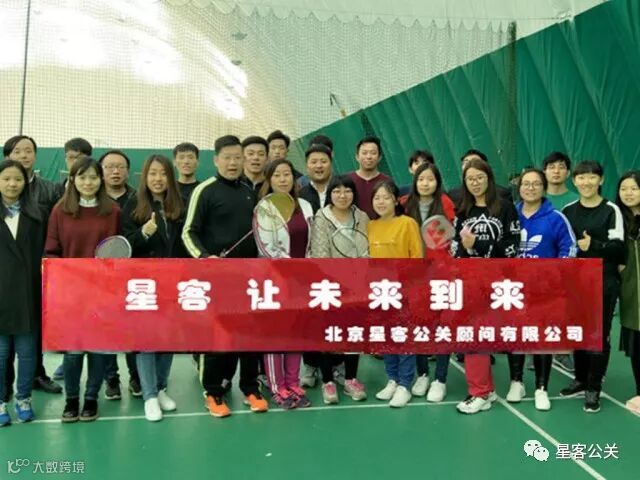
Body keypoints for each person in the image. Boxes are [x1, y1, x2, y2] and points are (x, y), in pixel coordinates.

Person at [182, 135, 268, 418]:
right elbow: (189, 232)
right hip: (216, 280)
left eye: (237, 158)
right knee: (217, 339)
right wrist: (205, 258)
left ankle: (250, 388)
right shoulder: (205, 191)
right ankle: (213, 392)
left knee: (250, 336)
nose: (233, 163)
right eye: (227, 158)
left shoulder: (248, 191)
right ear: (216, 160)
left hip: (249, 280)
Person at [45, 157, 120, 422]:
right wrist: (64, 278)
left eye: (93, 177)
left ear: (100, 180)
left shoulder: (112, 211)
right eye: (82, 177)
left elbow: (116, 252)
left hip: (102, 294)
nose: (88, 182)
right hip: (71, 295)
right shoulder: (60, 210)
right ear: (73, 180)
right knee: (73, 351)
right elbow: (51, 251)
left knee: (98, 349)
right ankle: (71, 400)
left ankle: (91, 399)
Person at [451, 158, 520, 414]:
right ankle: (483, 390)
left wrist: (477, 246)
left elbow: (512, 248)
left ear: (489, 179)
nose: (475, 183)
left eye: (480, 177)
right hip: (470, 283)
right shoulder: (463, 210)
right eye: (470, 179)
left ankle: (480, 391)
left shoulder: (505, 208)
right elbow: (457, 248)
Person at [121, 155, 185, 421]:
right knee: (146, 341)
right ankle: (149, 395)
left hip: (173, 284)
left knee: (167, 339)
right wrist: (144, 233)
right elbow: (125, 245)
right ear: (144, 177)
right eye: (153, 173)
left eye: (163, 173)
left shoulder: (179, 205)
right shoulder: (132, 204)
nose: (158, 179)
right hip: (144, 285)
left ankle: (160, 388)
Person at [506, 168, 576, 411]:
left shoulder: (556, 218)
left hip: (544, 291)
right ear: (519, 188)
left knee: (541, 339)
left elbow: (569, 248)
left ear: (544, 188)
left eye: (536, 183)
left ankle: (541, 388)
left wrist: (555, 275)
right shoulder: (510, 214)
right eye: (526, 183)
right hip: (513, 289)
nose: (531, 188)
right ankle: (516, 382)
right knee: (514, 335)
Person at [560, 161, 624, 413]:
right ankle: (580, 379)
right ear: (574, 181)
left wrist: (594, 246)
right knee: (577, 331)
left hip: (603, 282)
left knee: (598, 335)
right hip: (575, 283)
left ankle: (593, 387)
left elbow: (618, 248)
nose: (586, 182)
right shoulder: (568, 210)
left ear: (601, 180)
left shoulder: (611, 210)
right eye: (581, 178)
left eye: (591, 177)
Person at [3, 135, 62, 396]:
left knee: (32, 335)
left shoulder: (49, 191)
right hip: (5, 280)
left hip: (33, 277)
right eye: (18, 151)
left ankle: (35, 379)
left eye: (28, 151)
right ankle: (4, 388)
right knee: (4, 344)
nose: (24, 156)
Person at [258, 159, 314, 408]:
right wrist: (291, 270)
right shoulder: (264, 208)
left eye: (287, 174)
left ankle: (293, 382)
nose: (283, 179)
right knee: (275, 335)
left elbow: (312, 242)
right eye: (277, 175)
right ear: (269, 180)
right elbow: (266, 248)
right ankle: (277, 387)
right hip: (275, 281)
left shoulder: (305, 205)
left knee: (296, 333)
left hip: (303, 281)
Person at [310, 175, 369, 404]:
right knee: (329, 334)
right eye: (337, 191)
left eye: (347, 191)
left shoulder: (361, 216)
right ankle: (327, 382)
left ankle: (351, 379)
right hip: (330, 286)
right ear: (330, 195)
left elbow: (366, 250)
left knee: (353, 333)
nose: (342, 195)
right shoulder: (321, 217)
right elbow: (320, 253)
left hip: (357, 286)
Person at [402, 162, 454, 402]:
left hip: (441, 274)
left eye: (430, 179)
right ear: (415, 181)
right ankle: (422, 374)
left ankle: (440, 379)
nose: (425, 183)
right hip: (415, 276)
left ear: (437, 182)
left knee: (443, 327)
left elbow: (447, 239)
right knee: (419, 326)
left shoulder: (445, 204)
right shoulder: (405, 204)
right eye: (421, 179)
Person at [369, 180, 423, 408]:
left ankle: (405, 385)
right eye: (377, 198)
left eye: (386, 197)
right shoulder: (370, 226)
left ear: (395, 200)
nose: (381, 202)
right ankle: (392, 379)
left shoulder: (407, 223)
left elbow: (417, 258)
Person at [0, 160, 44, 426]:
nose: (12, 184)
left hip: (28, 296)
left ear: (25, 182)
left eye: (17, 179)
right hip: (1, 297)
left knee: (28, 355)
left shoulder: (37, 215)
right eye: (6, 179)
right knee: (1, 355)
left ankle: (24, 399)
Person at [97, 150, 140, 400]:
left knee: (132, 328)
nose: (115, 171)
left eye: (120, 167)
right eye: (110, 166)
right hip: (102, 278)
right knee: (106, 329)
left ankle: (136, 376)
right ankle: (111, 378)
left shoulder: (138, 199)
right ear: (101, 171)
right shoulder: (92, 198)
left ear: (128, 171)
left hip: (133, 277)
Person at [542, 152, 580, 372]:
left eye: (561, 167)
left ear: (568, 172)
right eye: (551, 167)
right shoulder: (535, 198)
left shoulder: (576, 200)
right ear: (544, 171)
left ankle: (563, 352)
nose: (556, 171)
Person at [616, 171, 640, 414]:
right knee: (636, 346)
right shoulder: (618, 220)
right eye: (624, 189)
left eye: (634, 188)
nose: (628, 193)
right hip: (630, 293)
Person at [447, 149, 513, 206]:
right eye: (466, 162)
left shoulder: (502, 194)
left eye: (475, 162)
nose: (470, 165)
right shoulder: (453, 195)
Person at [348, 136, 391, 219]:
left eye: (373, 153)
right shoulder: (347, 180)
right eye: (364, 153)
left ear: (379, 157)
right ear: (357, 157)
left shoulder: (387, 181)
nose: (368, 157)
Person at [298, 144, 333, 214]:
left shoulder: (343, 190)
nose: (319, 166)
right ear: (306, 166)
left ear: (331, 164)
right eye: (314, 162)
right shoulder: (300, 196)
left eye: (323, 161)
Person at [173, 142, 200, 206]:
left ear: (197, 162)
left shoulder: (203, 189)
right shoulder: (169, 189)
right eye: (181, 157)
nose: (186, 161)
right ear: (174, 162)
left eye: (190, 157)